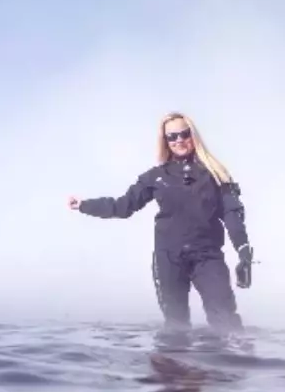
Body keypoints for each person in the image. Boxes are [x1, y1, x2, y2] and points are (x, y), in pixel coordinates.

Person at [67, 111, 254, 332]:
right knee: (176, 327)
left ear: (193, 135)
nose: (179, 141)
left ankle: (230, 366)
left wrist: (243, 251)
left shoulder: (215, 174)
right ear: (165, 141)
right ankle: (175, 365)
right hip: (169, 259)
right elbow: (123, 206)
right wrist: (84, 205)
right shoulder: (156, 177)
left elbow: (232, 214)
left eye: (184, 134)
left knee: (227, 323)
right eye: (172, 137)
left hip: (208, 257)